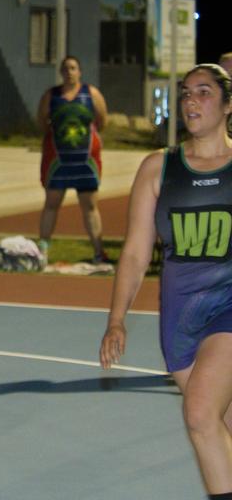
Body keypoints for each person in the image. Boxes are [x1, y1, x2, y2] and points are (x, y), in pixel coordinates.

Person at [100, 63, 232, 500]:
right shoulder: (159, 168)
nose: (191, 101)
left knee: (198, 413)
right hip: (180, 317)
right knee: (222, 426)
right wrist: (117, 319)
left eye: (204, 92)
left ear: (228, 104)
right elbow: (137, 252)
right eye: (185, 93)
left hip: (228, 307)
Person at [37, 55, 109, 263]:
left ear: (80, 71)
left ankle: (98, 252)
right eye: (66, 68)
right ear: (60, 72)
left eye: (73, 68)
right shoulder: (51, 95)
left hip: (85, 160)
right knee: (51, 203)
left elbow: (102, 120)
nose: (69, 72)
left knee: (90, 206)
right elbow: (42, 121)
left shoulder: (91, 93)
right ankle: (43, 251)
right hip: (58, 160)